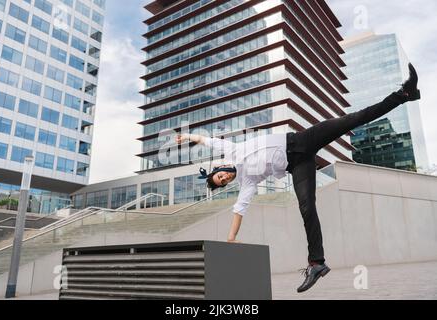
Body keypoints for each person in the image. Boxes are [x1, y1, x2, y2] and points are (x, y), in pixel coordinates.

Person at [175, 63, 420, 293]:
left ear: (219, 169)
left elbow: (206, 140)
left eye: (221, 176)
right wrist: (230, 238)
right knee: (307, 207)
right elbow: (239, 210)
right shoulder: (247, 182)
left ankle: (405, 94)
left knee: (352, 119)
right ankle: (317, 263)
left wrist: (186, 137)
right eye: (224, 183)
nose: (226, 179)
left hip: (302, 139)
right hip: (298, 164)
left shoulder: (231, 150)